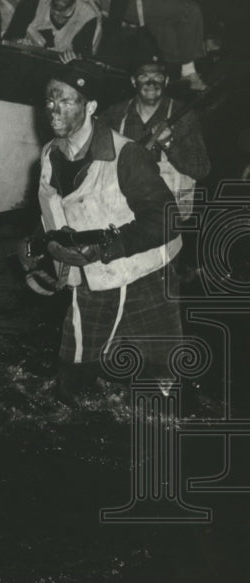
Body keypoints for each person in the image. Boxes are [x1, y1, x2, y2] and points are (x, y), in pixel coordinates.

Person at [24, 61, 182, 403]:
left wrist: (104, 247)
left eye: (65, 100)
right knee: (72, 377)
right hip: (93, 279)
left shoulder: (127, 155)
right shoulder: (51, 154)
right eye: (49, 100)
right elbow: (54, 212)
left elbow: (167, 217)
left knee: (164, 384)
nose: (53, 109)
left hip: (146, 277)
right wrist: (38, 252)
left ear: (90, 107)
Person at [100, 56, 210, 218]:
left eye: (157, 77)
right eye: (143, 76)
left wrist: (169, 143)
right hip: (124, 213)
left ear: (166, 81)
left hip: (169, 217)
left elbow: (201, 169)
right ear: (133, 81)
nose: (151, 83)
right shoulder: (115, 114)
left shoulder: (183, 115)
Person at [4, 0, 103, 61]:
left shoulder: (87, 17)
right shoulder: (33, 0)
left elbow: (84, 59)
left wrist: (74, 60)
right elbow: (8, 39)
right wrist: (18, 43)